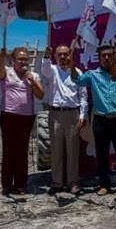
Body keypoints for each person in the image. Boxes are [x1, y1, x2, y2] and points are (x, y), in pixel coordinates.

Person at [72, 45, 116, 196]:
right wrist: (72, 64)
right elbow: (76, 80)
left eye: (109, 55)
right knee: (102, 154)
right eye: (103, 55)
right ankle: (104, 184)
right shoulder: (92, 75)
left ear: (114, 57)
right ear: (99, 57)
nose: (106, 58)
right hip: (101, 120)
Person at [0, 46, 44, 195]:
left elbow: (40, 95)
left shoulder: (33, 75)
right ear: (13, 60)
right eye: (20, 59)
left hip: (26, 117)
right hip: (9, 116)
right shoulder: (7, 72)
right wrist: (1, 57)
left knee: (22, 152)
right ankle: (6, 184)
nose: (23, 61)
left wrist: (32, 81)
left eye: (25, 59)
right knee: (8, 150)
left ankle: (20, 184)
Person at [42, 45, 88, 196]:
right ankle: (57, 182)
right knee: (56, 150)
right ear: (56, 56)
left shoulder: (77, 72)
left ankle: (73, 182)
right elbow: (45, 70)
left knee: (72, 150)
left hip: (72, 115)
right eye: (59, 54)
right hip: (55, 114)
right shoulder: (53, 71)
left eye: (65, 54)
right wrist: (46, 56)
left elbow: (83, 96)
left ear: (70, 55)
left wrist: (82, 115)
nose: (62, 57)